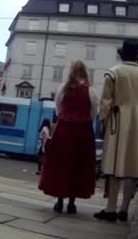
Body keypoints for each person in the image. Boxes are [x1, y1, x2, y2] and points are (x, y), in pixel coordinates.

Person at [94, 39, 138, 222]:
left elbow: (105, 103)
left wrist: (102, 124)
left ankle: (110, 208)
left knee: (114, 164)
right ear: (137, 57)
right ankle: (124, 209)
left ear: (122, 55)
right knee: (133, 166)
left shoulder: (113, 73)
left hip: (118, 119)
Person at [38, 60, 98, 214]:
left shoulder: (62, 89)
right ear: (85, 72)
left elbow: (58, 110)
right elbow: (93, 113)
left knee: (61, 164)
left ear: (70, 72)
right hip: (83, 132)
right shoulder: (91, 91)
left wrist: (68, 117)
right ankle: (72, 203)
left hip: (64, 130)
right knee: (78, 165)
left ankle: (59, 202)